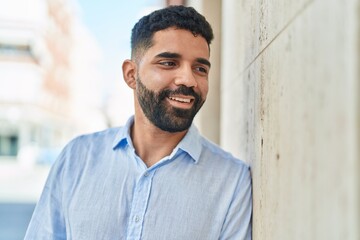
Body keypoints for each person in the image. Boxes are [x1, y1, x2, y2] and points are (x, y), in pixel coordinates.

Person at [24, 5, 252, 240]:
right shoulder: (76, 158)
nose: (188, 79)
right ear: (131, 74)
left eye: (200, 68)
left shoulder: (232, 182)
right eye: (168, 63)